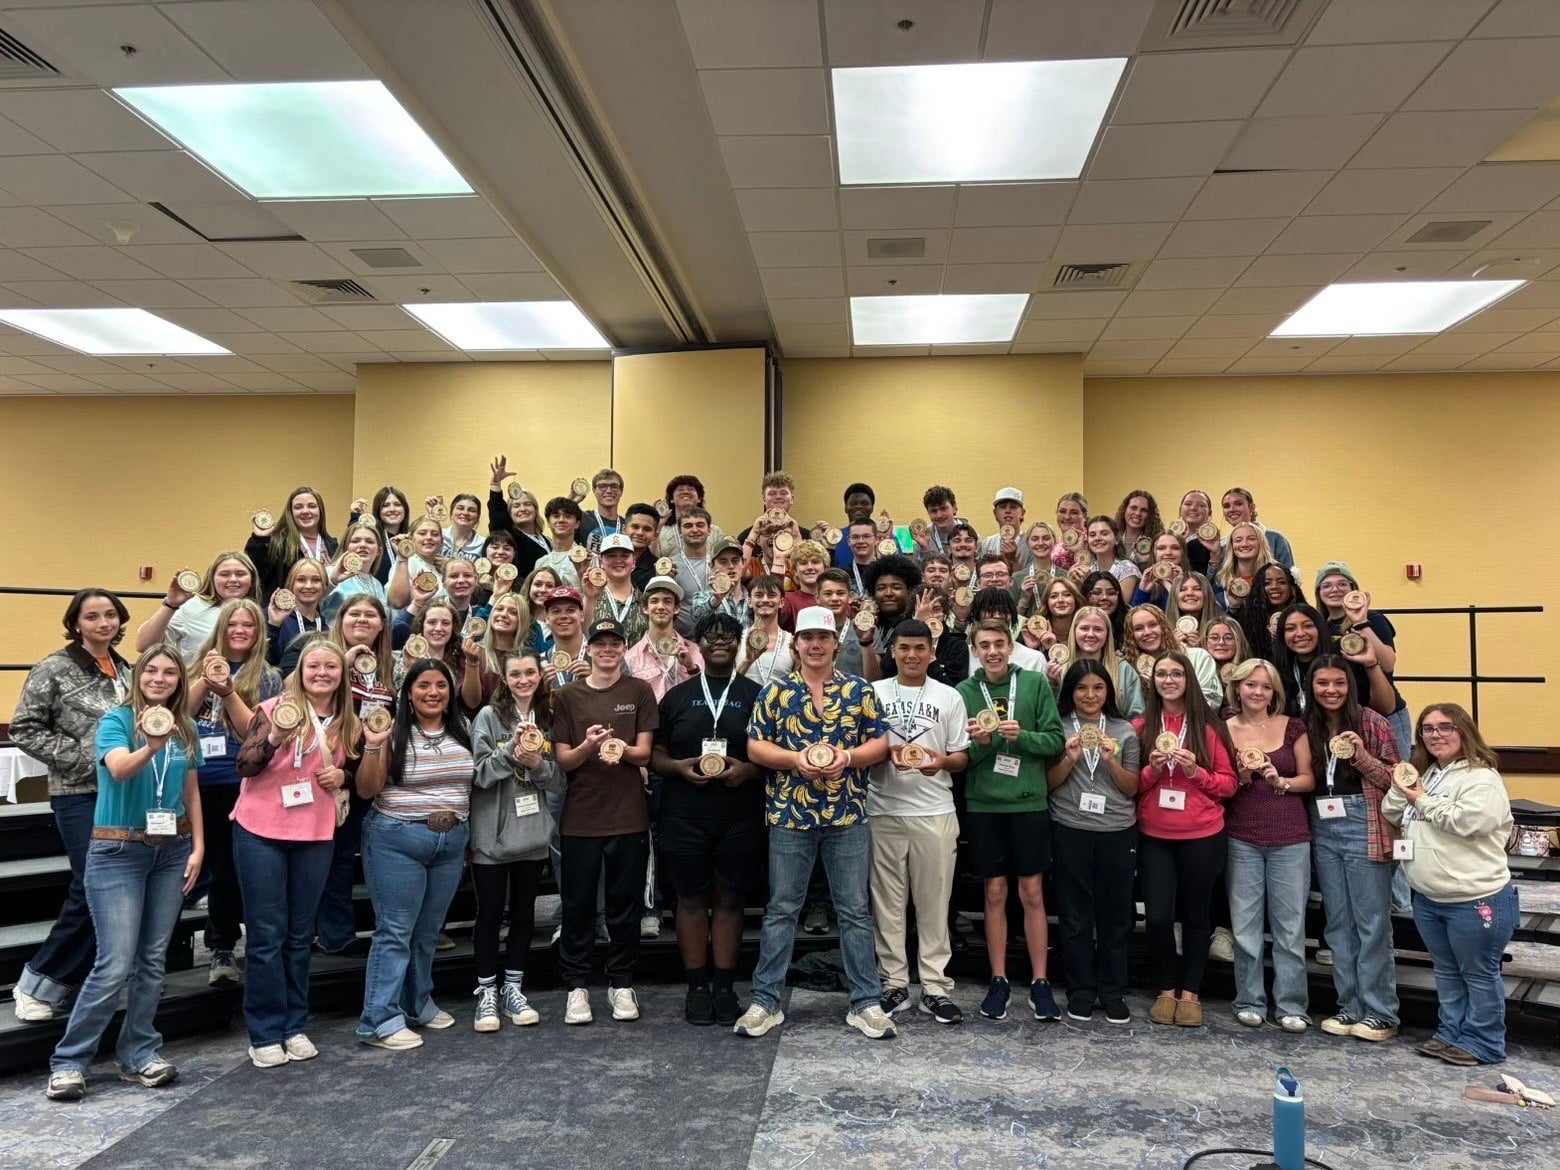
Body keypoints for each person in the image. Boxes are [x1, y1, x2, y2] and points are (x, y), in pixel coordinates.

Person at [45, 646, 205, 1101]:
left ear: (179, 680)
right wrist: (150, 746)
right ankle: (69, 1061)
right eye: (151, 670)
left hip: (171, 851)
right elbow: (116, 770)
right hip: (118, 850)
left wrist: (198, 846)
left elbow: (190, 792)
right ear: (139, 677)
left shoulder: (185, 728)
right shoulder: (117, 721)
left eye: (169, 672)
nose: (159, 678)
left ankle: (138, 1053)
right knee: (114, 963)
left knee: (152, 961)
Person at [736, 607, 893, 1040]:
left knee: (855, 912)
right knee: (782, 910)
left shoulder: (859, 690)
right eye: (807, 637)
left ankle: (866, 1003)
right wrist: (792, 761)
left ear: (835, 645)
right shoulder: (775, 692)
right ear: (796, 644)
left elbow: (879, 742)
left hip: (847, 813)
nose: (815, 644)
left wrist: (849, 758)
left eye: (823, 637)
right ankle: (765, 1002)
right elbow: (755, 747)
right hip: (790, 814)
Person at [230, 640, 360, 1067]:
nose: (322, 673)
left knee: (301, 936)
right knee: (267, 935)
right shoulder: (272, 709)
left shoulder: (348, 721)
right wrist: (272, 738)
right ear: (299, 671)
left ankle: (294, 1025)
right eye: (313, 666)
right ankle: (265, 1031)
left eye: (330, 667)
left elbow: (355, 773)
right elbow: (245, 766)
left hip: (314, 832)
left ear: (341, 674)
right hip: (261, 831)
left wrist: (344, 774)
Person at [11, 590, 134, 1024]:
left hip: (123, 793)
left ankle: (82, 980)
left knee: (112, 889)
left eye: (111, 615)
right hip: (78, 792)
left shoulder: (126, 670)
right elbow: (25, 727)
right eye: (93, 616)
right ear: (76, 623)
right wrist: (85, 759)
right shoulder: (55, 668)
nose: (103, 623)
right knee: (92, 886)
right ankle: (38, 980)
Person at [1382, 704, 1517, 1067]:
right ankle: (1451, 1032)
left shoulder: (1481, 777)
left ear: (1464, 732)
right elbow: (1392, 813)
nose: (1435, 735)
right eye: (1427, 729)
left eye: (1445, 727)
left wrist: (1420, 799)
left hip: (1475, 897)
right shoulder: (1431, 773)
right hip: (1429, 897)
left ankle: (1484, 1040)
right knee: (1446, 971)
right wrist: (1403, 785)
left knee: (1478, 972)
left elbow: (1469, 821)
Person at [650, 614, 764, 1026]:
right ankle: (697, 986)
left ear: (739, 643)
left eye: (728, 637)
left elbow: (770, 756)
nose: (719, 642)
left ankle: (724, 985)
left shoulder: (756, 694)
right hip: (685, 813)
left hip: (740, 813)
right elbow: (655, 754)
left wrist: (749, 771)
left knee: (731, 899)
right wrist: (679, 768)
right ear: (698, 643)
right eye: (711, 637)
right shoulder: (677, 696)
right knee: (691, 898)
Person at [353, 659, 472, 1050]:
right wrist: (373, 746)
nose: (433, 692)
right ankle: (378, 1019)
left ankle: (417, 1002)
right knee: (396, 932)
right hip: (396, 839)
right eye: (423, 685)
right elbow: (368, 789)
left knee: (427, 932)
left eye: (441, 685)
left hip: (450, 843)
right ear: (408, 692)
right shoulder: (391, 731)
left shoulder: (463, 729)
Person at [955, 620, 1066, 1023]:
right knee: (995, 892)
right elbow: (962, 756)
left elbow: (1055, 741)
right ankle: (998, 979)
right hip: (985, 804)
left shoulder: (1034, 684)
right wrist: (982, 744)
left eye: (999, 644)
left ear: (1011, 646)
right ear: (975, 650)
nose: (993, 651)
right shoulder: (965, 692)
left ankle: (1040, 981)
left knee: (1033, 892)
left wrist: (1024, 737)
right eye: (984, 645)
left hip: (1028, 802)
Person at [552, 618, 659, 1025]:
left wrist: (620, 749)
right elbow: (564, 760)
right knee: (577, 906)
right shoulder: (567, 695)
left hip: (628, 816)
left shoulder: (639, 691)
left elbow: (645, 754)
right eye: (601, 644)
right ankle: (576, 987)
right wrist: (590, 745)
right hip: (580, 817)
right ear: (589, 649)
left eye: (615, 643)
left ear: (623, 649)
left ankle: (621, 983)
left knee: (623, 907)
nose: (608, 650)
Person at [868, 619, 971, 1024]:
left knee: (933, 904)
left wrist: (939, 762)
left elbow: (961, 757)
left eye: (919, 648)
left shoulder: (950, 696)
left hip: (935, 811)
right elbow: (861, 747)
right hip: (883, 809)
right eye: (904, 648)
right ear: (892, 651)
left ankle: (934, 986)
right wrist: (881, 754)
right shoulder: (873, 693)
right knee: (887, 905)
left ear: (932, 652)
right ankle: (893, 983)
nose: (911, 655)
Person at [1135, 649, 1237, 1028]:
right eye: (1161, 674)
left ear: (1189, 679)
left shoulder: (1208, 727)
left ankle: (1191, 992)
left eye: (1176, 673)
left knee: (1197, 917)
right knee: (1159, 918)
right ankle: (1165, 988)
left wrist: (1195, 773)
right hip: (1154, 834)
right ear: (1153, 681)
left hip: (1202, 834)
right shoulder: (1142, 727)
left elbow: (1228, 785)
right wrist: (1150, 771)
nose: (1169, 680)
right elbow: (1129, 785)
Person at [1303, 654, 1402, 1043]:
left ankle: (1381, 1011)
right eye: (1322, 683)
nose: (1331, 690)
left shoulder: (1373, 722)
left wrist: (1360, 756)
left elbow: (1398, 779)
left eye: (1339, 683)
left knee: (1372, 922)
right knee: (1337, 922)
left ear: (1351, 685)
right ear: (1312, 687)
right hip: (1323, 823)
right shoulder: (1306, 725)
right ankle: (1351, 1005)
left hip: (1366, 822)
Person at [186, 598, 282, 986]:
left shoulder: (269, 677)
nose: (240, 631)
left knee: (228, 868)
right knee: (194, 866)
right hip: (192, 779)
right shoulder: (195, 665)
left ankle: (222, 947)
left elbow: (253, 734)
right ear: (220, 628)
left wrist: (227, 691)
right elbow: (179, 715)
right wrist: (203, 679)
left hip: (238, 781)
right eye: (233, 625)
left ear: (259, 633)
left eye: (249, 626)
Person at [469, 650, 566, 1032]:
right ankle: (486, 992)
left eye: (530, 672)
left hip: (531, 833)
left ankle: (513, 987)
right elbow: (478, 774)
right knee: (491, 914)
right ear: (504, 679)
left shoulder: (550, 719)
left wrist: (537, 764)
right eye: (515, 674)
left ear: (540, 676)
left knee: (525, 915)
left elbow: (560, 781)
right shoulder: (488, 717)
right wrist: (511, 753)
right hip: (492, 834)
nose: (523, 679)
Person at [1046, 658, 1141, 1025]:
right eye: (1082, 688)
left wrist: (1109, 760)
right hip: (1069, 826)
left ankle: (1113, 990)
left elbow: (1131, 787)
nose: (1090, 695)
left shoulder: (1124, 731)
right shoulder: (1058, 728)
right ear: (1071, 691)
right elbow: (1048, 783)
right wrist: (1070, 758)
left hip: (1116, 830)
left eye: (1098, 688)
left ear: (1108, 692)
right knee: (1074, 914)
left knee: (1116, 916)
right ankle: (1081, 990)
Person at [1223, 659, 1314, 1032]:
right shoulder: (1223, 728)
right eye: (1250, 685)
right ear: (1238, 688)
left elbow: (1308, 778)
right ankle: (1249, 1000)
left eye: (1265, 686)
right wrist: (1242, 778)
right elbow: (1221, 783)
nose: (1257, 692)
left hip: (1290, 837)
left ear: (1274, 692)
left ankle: (1292, 1005)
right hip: (1241, 836)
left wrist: (1283, 782)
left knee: (1290, 928)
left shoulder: (1293, 727)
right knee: (1244, 927)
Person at [1313, 561, 1410, 756]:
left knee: (1397, 776)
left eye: (1342, 584)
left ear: (1353, 590)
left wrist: (1360, 622)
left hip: (1385, 712)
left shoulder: (1373, 619)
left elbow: (1388, 663)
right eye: (1327, 585)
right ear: (1319, 593)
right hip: (1347, 717)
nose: (1335, 589)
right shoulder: (1319, 627)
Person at [135, 551, 260, 663]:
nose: (233, 579)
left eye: (240, 574)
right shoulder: (192, 606)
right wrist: (171, 605)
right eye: (225, 574)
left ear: (252, 580)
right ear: (212, 579)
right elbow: (144, 646)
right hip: (195, 685)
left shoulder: (260, 613)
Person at [246, 486, 337, 599]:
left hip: (326, 614)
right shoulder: (277, 543)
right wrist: (259, 540)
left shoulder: (333, 546)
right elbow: (255, 575)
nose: (305, 511)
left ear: (320, 510)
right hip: (286, 613)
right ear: (291, 512)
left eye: (312, 506)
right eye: (298, 507)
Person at [623, 576, 702, 701]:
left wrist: (691, 667)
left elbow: (705, 695)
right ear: (645, 608)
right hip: (650, 720)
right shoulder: (630, 658)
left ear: (676, 609)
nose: (661, 606)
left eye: (667, 601)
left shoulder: (696, 652)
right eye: (654, 601)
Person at [265, 557, 328, 666]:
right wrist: (273, 627)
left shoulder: (325, 627)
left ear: (324, 586)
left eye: (316, 580)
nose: (308, 586)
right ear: (291, 585)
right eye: (301, 580)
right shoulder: (274, 618)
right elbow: (267, 662)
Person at [1221, 487, 1295, 571]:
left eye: (1238, 504)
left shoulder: (1276, 539)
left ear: (1251, 508)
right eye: (1226, 506)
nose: (1232, 509)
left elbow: (1289, 580)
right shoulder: (1222, 546)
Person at [978, 487, 1031, 574]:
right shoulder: (987, 543)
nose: (1008, 511)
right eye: (1002, 507)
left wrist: (1013, 561)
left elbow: (1030, 579)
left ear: (1022, 513)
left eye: (1013, 507)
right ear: (995, 513)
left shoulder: (1030, 544)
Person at [579, 467, 626, 548]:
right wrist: (573, 501)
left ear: (621, 491)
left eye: (614, 486)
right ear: (594, 491)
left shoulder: (627, 525)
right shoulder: (582, 518)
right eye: (602, 486)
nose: (608, 491)